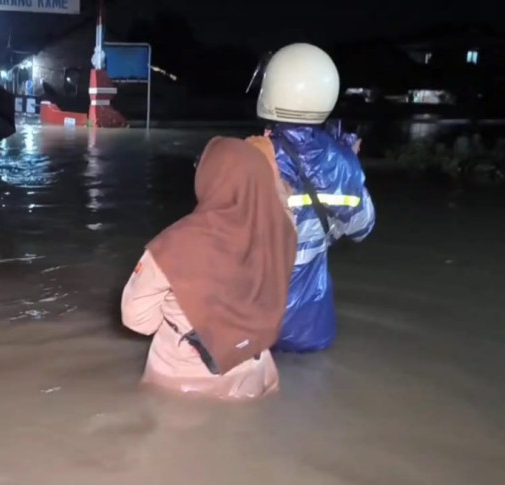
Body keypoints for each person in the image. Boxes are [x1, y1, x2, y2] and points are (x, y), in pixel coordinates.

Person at [121, 137, 298, 401]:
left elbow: (137, 319)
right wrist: (268, 168)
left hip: (184, 378)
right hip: (256, 374)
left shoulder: (173, 244)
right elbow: (280, 206)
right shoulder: (283, 231)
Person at [252, 43, 377, 353]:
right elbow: (362, 228)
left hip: (252, 320)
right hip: (310, 324)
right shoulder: (342, 163)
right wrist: (349, 163)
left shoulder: (249, 158)